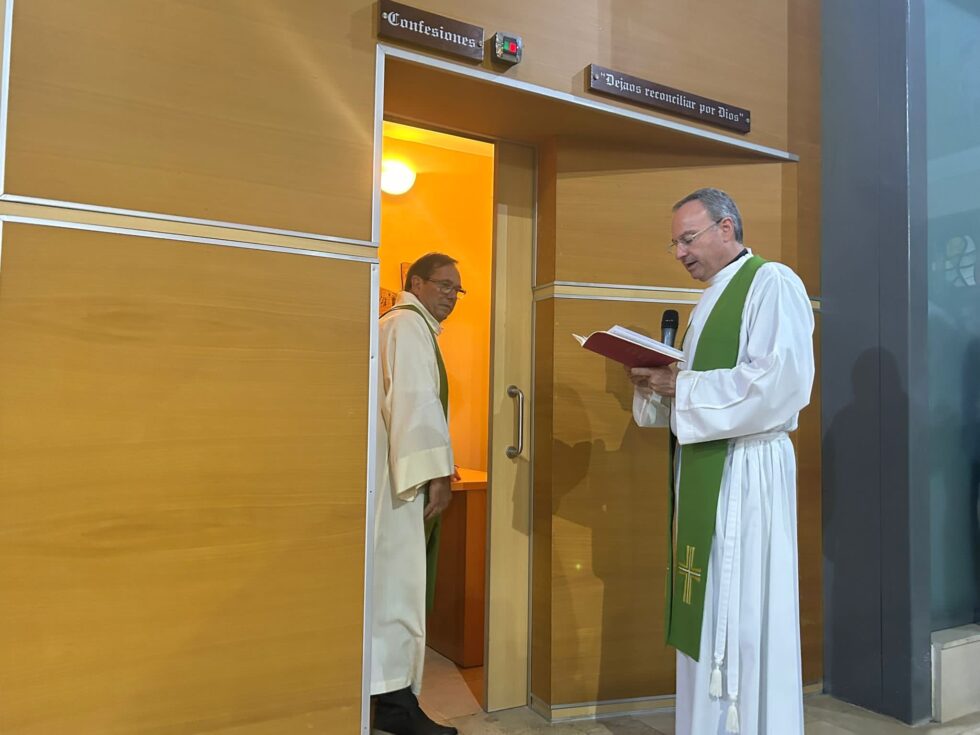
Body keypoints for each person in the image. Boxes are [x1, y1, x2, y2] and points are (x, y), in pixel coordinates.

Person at [628, 188, 814, 735]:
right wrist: (657, 385)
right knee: (709, 613)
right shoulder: (709, 299)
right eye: (675, 244)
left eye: (689, 239)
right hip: (712, 468)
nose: (681, 253)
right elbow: (702, 397)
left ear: (726, 228)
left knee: (744, 617)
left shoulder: (772, 282)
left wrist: (681, 386)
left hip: (748, 474)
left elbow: (779, 384)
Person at [371, 253, 465, 735]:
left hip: (392, 474)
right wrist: (437, 475)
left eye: (457, 289)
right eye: (444, 285)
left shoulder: (400, 324)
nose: (451, 295)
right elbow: (414, 401)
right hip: (398, 484)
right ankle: (394, 705)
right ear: (415, 282)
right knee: (397, 588)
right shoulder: (407, 325)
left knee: (394, 587)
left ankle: (390, 699)